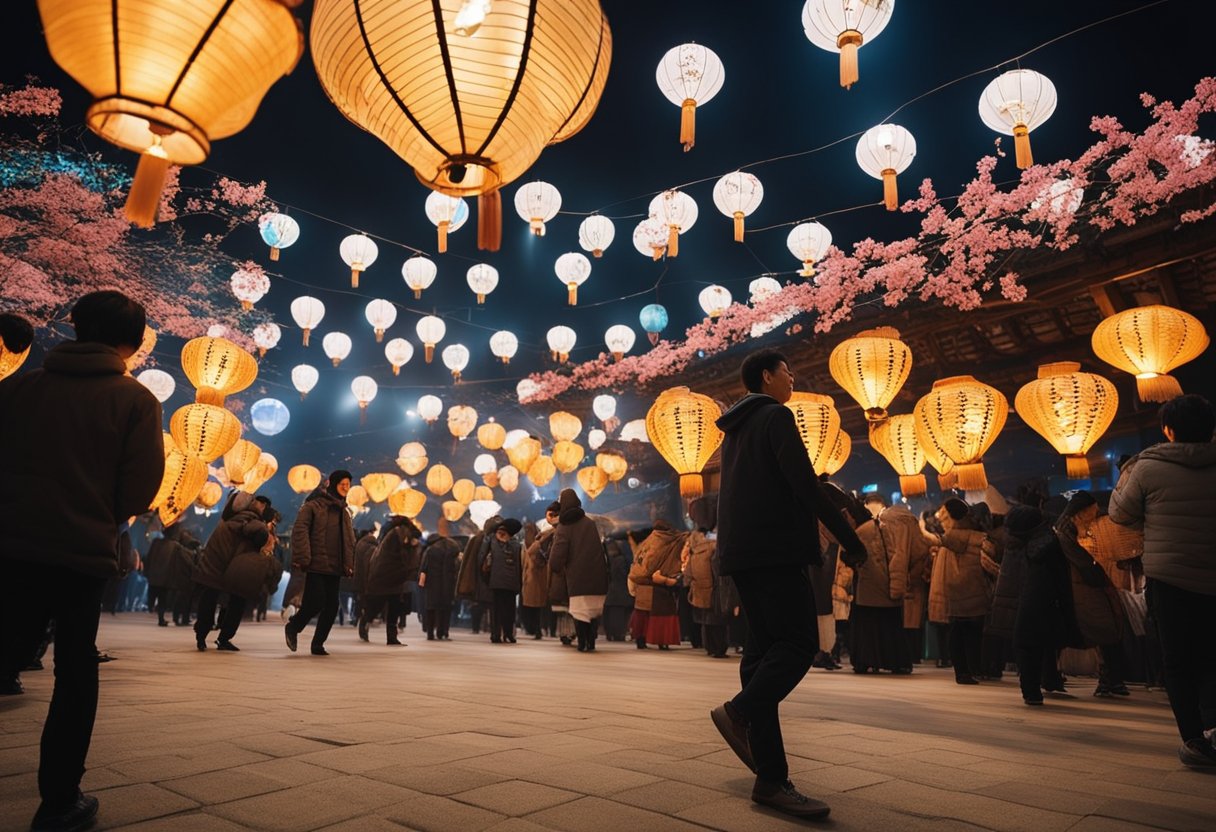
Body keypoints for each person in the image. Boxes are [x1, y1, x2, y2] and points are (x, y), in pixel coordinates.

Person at [0, 291, 165, 832]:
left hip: (12, 546)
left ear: (75, 327)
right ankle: (58, 800)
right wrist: (96, 512)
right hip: (81, 553)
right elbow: (139, 493)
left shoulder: (17, 389)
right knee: (74, 671)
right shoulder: (135, 401)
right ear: (133, 342)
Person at [710, 349, 866, 820]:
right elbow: (803, 484)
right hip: (775, 553)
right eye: (787, 371)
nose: (793, 378)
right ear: (767, 376)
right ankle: (738, 713)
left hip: (743, 555)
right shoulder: (775, 416)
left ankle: (771, 779)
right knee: (799, 645)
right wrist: (849, 540)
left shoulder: (735, 431)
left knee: (760, 659)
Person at [1109, 394, 1216, 769]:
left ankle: (1193, 739)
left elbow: (1119, 514)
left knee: (1178, 661)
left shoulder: (1148, 467)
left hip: (1170, 580)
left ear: (1168, 429)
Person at [849, 500, 925, 674]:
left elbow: (850, 558)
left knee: (869, 628)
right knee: (891, 628)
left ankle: (867, 661)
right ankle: (896, 661)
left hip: (868, 589)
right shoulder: (890, 528)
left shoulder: (860, 532)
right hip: (890, 587)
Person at [286, 470, 356, 656]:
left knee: (332, 606)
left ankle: (317, 644)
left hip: (335, 566)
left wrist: (348, 564)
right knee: (314, 602)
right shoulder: (313, 506)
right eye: (342, 484)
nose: (346, 488)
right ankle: (293, 627)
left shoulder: (344, 512)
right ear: (332, 484)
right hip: (316, 563)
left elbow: (349, 541)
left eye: (348, 485)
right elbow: (300, 530)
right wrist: (303, 557)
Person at [193, 492, 272, 651]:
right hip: (235, 568)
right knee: (237, 601)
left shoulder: (226, 523)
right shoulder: (255, 525)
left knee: (209, 599)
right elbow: (260, 537)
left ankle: (201, 636)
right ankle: (224, 638)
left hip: (214, 566)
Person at [927, 499, 992, 685]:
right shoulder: (979, 537)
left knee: (956, 632)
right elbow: (989, 564)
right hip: (976, 590)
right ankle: (976, 668)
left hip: (954, 592)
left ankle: (961, 672)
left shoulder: (947, 540)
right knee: (975, 633)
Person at [549, 489, 609, 652]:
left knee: (580, 612)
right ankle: (591, 641)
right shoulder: (589, 523)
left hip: (577, 577)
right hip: (596, 575)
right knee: (592, 612)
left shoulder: (564, 526)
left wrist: (555, 566)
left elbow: (559, 552)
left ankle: (582, 643)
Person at [361, 515, 423, 646]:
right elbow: (402, 554)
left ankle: (391, 637)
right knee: (378, 605)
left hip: (395, 576)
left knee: (394, 608)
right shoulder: (399, 533)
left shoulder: (396, 534)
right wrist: (410, 547)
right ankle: (366, 621)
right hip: (386, 575)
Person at [629, 520, 687, 650]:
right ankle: (662, 641)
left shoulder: (649, 540)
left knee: (642, 615)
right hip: (658, 585)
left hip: (642, 585)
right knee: (663, 615)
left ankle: (640, 639)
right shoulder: (668, 539)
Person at [483, 518, 524, 643]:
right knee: (509, 610)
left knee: (496, 610)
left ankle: (496, 634)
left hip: (495, 581)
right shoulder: (516, 545)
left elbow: (482, 558)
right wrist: (519, 583)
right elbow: (519, 566)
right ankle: (508, 634)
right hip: (511, 583)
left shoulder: (491, 540)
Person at [419, 518, 461, 640]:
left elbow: (424, 568)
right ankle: (443, 632)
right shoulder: (453, 548)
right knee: (445, 608)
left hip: (432, 584)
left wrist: (421, 584)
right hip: (448, 583)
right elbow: (456, 566)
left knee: (431, 608)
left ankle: (430, 633)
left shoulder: (430, 550)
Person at [457, 515, 497, 635]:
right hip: (486, 576)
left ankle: (477, 627)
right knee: (489, 605)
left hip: (479, 576)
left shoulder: (477, 539)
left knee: (479, 604)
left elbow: (470, 561)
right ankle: (491, 628)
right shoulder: (487, 540)